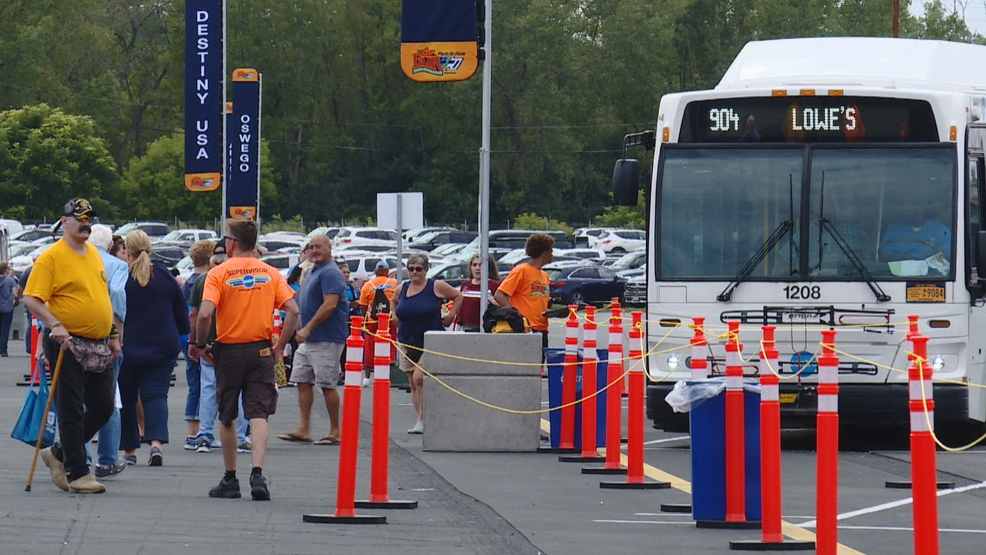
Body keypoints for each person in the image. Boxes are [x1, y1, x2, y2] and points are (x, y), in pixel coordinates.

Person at [23, 198, 121, 494]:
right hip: (67, 342)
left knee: (104, 406)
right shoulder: (51, 257)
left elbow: (101, 296)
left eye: (89, 218)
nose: (86, 223)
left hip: (100, 342)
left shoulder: (93, 254)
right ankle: (77, 472)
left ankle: (60, 452)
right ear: (64, 222)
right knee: (70, 408)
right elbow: (31, 298)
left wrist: (113, 333)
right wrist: (55, 324)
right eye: (79, 218)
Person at [197, 220, 299, 501]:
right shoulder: (271, 273)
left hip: (229, 351)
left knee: (227, 413)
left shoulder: (218, 273)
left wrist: (200, 343)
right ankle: (257, 471)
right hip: (261, 350)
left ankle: (231, 477)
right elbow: (293, 310)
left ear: (231, 242)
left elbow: (205, 313)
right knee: (258, 412)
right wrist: (279, 346)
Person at [118, 230, 190, 466]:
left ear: (127, 250)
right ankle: (156, 444)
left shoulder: (121, 277)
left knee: (127, 398)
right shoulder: (165, 276)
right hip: (162, 346)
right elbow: (181, 314)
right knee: (156, 395)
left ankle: (130, 451)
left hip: (127, 347)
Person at [278, 234, 347, 445]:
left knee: (327, 384)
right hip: (308, 341)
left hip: (326, 338)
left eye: (319, 247)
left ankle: (335, 431)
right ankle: (304, 428)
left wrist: (307, 328)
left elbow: (330, 304)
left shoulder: (331, 273)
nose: (314, 250)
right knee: (302, 380)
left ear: (329, 248)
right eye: (311, 247)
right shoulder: (312, 271)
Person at [187, 241, 250, 454]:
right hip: (236, 340)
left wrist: (195, 342)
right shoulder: (239, 278)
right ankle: (240, 437)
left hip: (211, 341)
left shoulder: (204, 280)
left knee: (208, 387)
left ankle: (204, 434)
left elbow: (196, 314)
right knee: (239, 390)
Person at [391, 253, 462, 434]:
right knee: (412, 383)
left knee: (419, 378)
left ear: (426, 270)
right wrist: (394, 314)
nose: (415, 273)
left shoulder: (435, 286)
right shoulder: (403, 287)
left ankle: (423, 419)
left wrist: (451, 315)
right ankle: (420, 418)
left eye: (419, 269)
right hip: (407, 339)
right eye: (411, 269)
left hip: (429, 339)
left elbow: (458, 296)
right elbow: (393, 301)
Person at [85, 224, 129, 478]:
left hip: (77, 334)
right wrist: (118, 333)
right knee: (110, 396)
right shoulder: (116, 265)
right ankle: (107, 459)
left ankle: (80, 457)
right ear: (111, 246)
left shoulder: (77, 260)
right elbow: (117, 293)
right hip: (105, 333)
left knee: (79, 398)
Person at [180, 240, 216, 451]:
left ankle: (192, 431)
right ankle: (205, 429)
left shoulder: (187, 282)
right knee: (208, 385)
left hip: (186, 335)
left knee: (195, 384)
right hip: (201, 336)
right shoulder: (206, 281)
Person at [494, 233, 554, 352]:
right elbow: (499, 295)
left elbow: (539, 304)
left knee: (539, 367)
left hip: (542, 328)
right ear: (544, 253)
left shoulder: (545, 276)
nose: (553, 255)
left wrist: (556, 313)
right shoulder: (522, 270)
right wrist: (515, 314)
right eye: (551, 251)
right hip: (525, 328)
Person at [358, 260, 397, 387]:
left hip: (373, 320)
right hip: (389, 319)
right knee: (391, 346)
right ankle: (389, 374)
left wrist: (364, 319)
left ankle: (367, 377)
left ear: (375, 272)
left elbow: (363, 306)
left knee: (370, 347)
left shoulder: (368, 285)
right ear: (387, 271)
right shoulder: (394, 283)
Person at [879, 205, 951, 270]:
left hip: (932, 277)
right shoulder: (894, 229)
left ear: (925, 209)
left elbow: (947, 257)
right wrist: (903, 260)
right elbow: (885, 256)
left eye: (918, 205)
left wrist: (925, 260)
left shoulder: (940, 230)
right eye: (911, 205)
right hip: (897, 275)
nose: (915, 209)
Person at [456, 254, 500, 332]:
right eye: (474, 265)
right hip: (465, 329)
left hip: (486, 330)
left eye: (480, 265)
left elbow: (503, 308)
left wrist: (494, 304)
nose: (477, 268)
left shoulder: (494, 285)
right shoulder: (465, 284)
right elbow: (460, 312)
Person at [0, 261, 18, 357]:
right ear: (5, 270)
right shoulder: (10, 280)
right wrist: (16, 301)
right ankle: (3, 350)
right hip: (7, 308)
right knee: (5, 329)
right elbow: (15, 294)